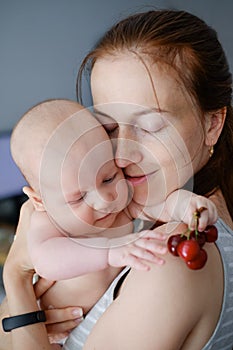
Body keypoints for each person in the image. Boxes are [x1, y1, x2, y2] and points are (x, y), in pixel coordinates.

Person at [1, 8, 233, 350]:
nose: (121, 154)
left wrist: (17, 282)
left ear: (213, 124)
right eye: (108, 128)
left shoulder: (174, 258)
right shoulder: (146, 209)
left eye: (150, 126)